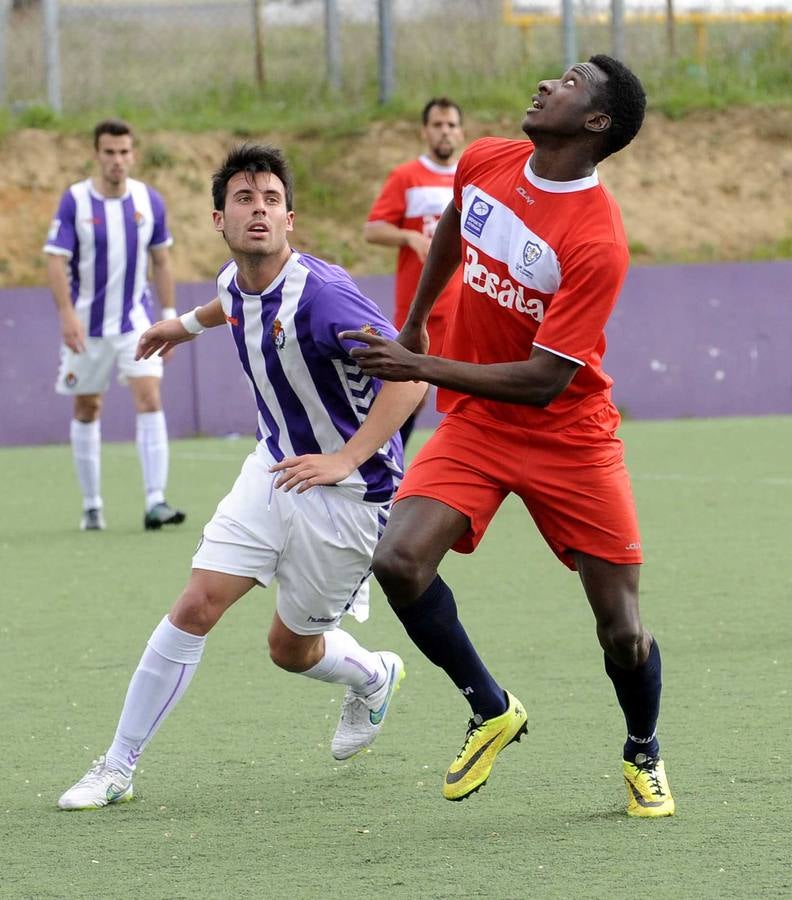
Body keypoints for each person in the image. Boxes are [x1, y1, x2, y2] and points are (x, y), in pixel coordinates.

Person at [341, 56, 675, 817]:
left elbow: (543, 380)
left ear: (595, 123)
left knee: (621, 632)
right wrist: (421, 314)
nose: (547, 84)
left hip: (570, 435)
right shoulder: (488, 157)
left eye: (569, 82)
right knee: (397, 560)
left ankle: (641, 751)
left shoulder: (597, 241)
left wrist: (420, 361)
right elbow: (457, 225)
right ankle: (490, 706)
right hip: (481, 422)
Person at [57, 144, 426, 810]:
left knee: (289, 648)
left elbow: (407, 374)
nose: (259, 210)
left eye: (271, 201)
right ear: (219, 220)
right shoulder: (237, 282)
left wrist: (345, 458)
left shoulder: (323, 297)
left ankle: (373, 675)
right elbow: (227, 305)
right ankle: (117, 766)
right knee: (196, 604)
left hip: (347, 498)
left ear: (290, 220)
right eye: (244, 200)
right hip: (272, 470)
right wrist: (179, 325)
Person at [44, 118, 185, 531]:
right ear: (96, 154)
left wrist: (169, 317)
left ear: (133, 154)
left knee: (150, 398)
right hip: (86, 327)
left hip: (134, 324)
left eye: (124, 152)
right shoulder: (74, 202)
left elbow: (162, 260)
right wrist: (67, 313)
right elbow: (55, 259)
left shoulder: (149, 201)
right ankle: (92, 505)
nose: (117, 160)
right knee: (88, 407)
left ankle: (156, 500)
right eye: (109, 152)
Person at [364, 97, 464, 447]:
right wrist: (407, 235)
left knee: (474, 395)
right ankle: (383, 464)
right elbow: (372, 229)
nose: (445, 131)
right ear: (425, 131)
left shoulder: (473, 177)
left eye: (451, 124)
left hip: (465, 311)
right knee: (410, 394)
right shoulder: (407, 176)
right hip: (419, 311)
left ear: (461, 131)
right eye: (438, 125)